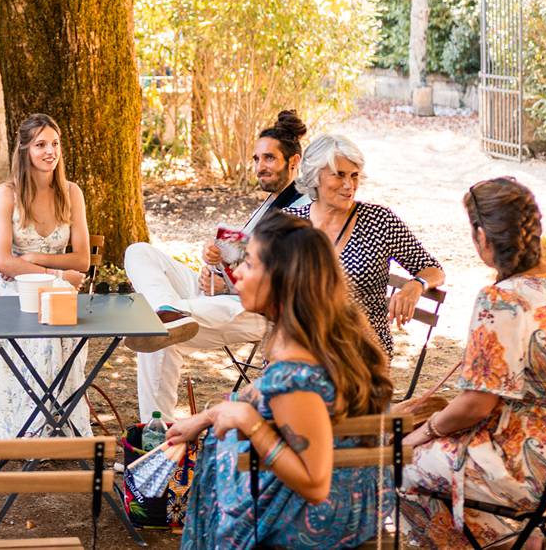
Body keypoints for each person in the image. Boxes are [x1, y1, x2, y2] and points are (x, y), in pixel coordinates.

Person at [399, 178, 546, 549]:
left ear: (482, 236)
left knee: (398, 466)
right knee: (438, 466)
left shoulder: (501, 300)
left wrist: (423, 434)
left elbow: (475, 405)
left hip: (537, 473)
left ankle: (514, 545)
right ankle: (527, 545)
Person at [164, 213, 389, 550]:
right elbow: (263, 392)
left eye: (250, 265)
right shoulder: (327, 334)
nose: (236, 273)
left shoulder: (296, 374)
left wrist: (249, 422)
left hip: (310, 524)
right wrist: (207, 417)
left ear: (282, 280)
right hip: (353, 505)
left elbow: (314, 483)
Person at [124, 110, 308, 420]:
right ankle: (167, 309)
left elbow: (292, 280)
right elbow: (245, 257)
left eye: (269, 159)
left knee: (157, 335)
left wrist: (232, 283)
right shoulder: (269, 202)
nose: (259, 167)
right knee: (139, 251)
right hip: (223, 291)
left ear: (293, 162)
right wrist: (215, 261)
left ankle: (157, 439)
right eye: (256, 159)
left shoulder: (302, 209)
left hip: (254, 308)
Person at [0, 114, 90, 438]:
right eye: (40, 145)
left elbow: (81, 259)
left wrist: (36, 259)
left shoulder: (71, 193)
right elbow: (5, 263)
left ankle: (58, 429)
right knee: (39, 341)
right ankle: (27, 432)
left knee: (60, 334)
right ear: (24, 149)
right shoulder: (6, 194)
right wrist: (54, 272)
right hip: (15, 297)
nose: (50, 151)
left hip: (59, 298)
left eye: (54, 144)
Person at [285, 133, 445, 356]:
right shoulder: (288, 223)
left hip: (361, 354)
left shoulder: (380, 221)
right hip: (298, 349)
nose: (349, 185)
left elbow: (434, 270)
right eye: (339, 175)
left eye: (354, 175)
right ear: (314, 177)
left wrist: (416, 284)